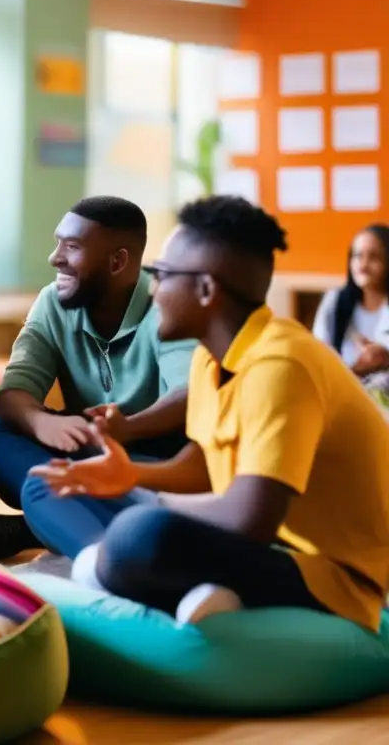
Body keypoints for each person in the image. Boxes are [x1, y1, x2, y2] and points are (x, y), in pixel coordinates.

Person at [35, 195, 389, 630]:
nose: (153, 289)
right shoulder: (212, 357)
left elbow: (251, 517)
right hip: (274, 549)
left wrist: (153, 505)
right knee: (102, 509)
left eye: (162, 275)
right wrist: (132, 476)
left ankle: (170, 582)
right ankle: (207, 594)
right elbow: (205, 464)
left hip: (334, 577)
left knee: (141, 533)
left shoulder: (282, 364)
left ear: (206, 290)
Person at [0, 196, 196, 558]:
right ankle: (85, 519)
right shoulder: (52, 301)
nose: (55, 257)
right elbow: (14, 391)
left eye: (72, 247)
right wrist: (41, 422)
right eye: (59, 243)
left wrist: (129, 428)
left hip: (152, 460)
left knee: (39, 488)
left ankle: (46, 527)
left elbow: (189, 394)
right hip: (84, 449)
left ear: (118, 261)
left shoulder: (168, 303)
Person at [312, 224, 389, 395]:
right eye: (357, 256)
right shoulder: (336, 301)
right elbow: (318, 358)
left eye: (374, 257)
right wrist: (359, 369)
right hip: (342, 399)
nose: (363, 264)